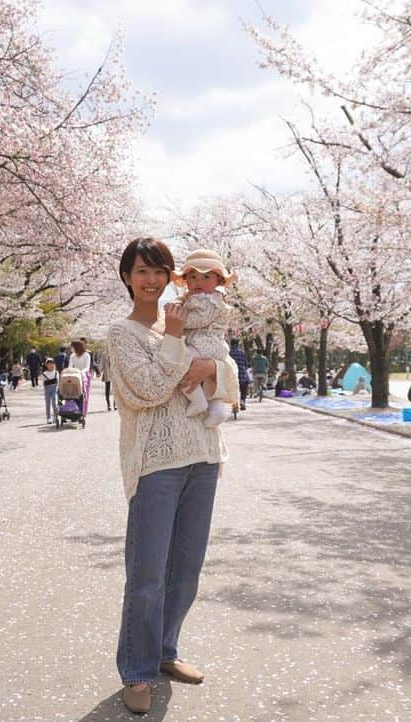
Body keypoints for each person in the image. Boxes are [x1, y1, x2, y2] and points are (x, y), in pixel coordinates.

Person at [106, 237, 234, 715]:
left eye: (160, 270)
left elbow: (230, 376)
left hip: (203, 455)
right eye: (142, 271)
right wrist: (184, 349)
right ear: (126, 277)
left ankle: (165, 650)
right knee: (148, 575)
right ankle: (136, 671)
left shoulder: (190, 318)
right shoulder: (122, 333)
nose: (151, 280)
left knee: (186, 570)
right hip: (156, 464)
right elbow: (146, 391)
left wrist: (209, 367)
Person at [172, 248, 240, 428]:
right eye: (192, 277)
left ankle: (198, 400)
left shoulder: (211, 300)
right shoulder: (196, 298)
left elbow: (199, 320)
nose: (198, 282)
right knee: (211, 382)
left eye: (206, 277)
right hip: (206, 344)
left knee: (180, 360)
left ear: (218, 280)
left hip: (206, 343)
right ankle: (216, 413)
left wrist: (180, 318)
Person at [69, 339, 94, 417]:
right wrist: (70, 371)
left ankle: (83, 412)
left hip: (84, 376)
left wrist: (81, 372)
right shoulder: (72, 356)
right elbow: (70, 366)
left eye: (72, 347)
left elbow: (87, 367)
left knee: (84, 394)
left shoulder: (86, 355)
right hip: (75, 375)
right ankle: (74, 409)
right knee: (73, 393)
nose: (71, 349)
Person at [228, 339, 249, 411]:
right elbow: (246, 365)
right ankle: (242, 400)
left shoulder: (228, 353)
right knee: (245, 386)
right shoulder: (242, 353)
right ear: (238, 344)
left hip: (231, 376)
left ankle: (234, 403)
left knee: (231, 389)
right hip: (242, 375)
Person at [42, 358, 60, 424]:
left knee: (54, 403)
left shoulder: (56, 372)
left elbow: (58, 382)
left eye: (52, 363)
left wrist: (57, 389)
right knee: (48, 404)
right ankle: (48, 417)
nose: (51, 365)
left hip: (54, 389)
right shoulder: (44, 373)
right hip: (47, 389)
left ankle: (55, 417)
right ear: (46, 365)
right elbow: (43, 383)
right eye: (49, 364)